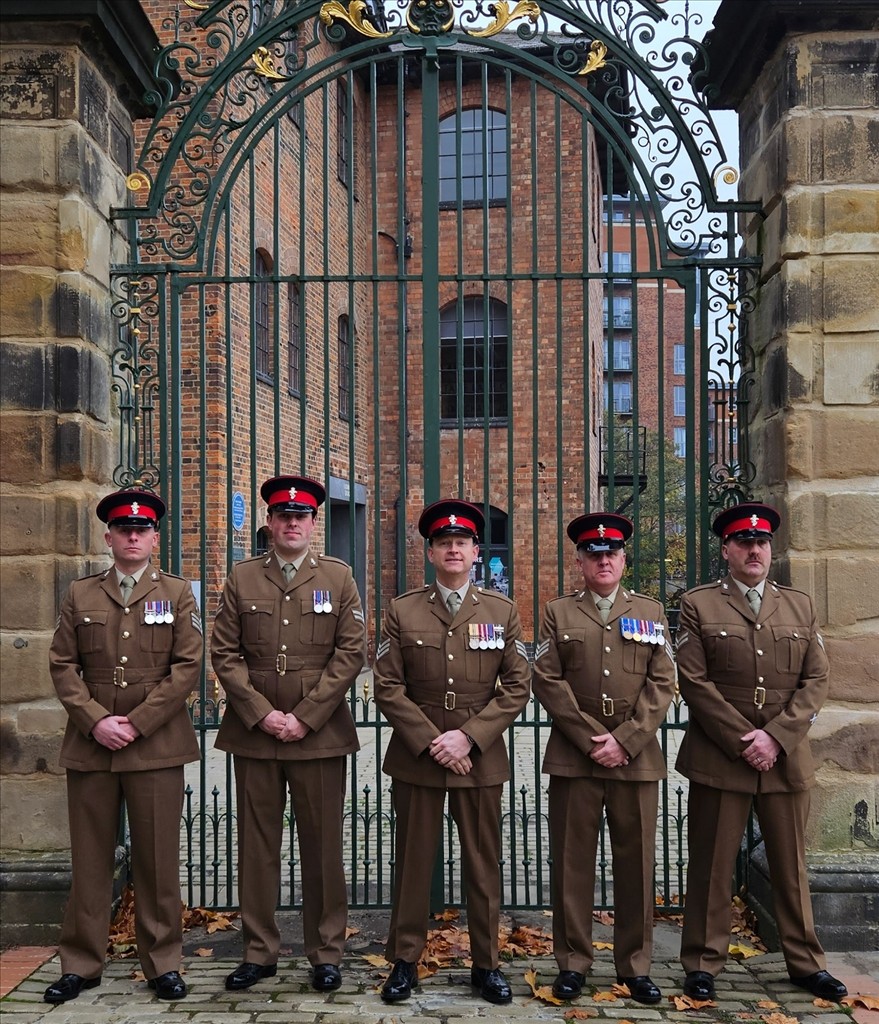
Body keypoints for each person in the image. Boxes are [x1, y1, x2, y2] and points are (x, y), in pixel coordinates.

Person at [676, 502, 847, 1002]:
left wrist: (776, 736)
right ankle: (703, 961)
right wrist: (742, 738)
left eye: (763, 542)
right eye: (744, 542)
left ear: (770, 549)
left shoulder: (799, 605)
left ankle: (805, 961)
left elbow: (816, 678)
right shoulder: (698, 604)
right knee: (710, 863)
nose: (755, 550)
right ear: (726, 549)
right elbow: (694, 680)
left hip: (785, 755)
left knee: (791, 864)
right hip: (720, 754)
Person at [46, 489, 202, 1004]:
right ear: (109, 536)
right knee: (89, 859)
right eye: (123, 529)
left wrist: (135, 722)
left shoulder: (177, 593)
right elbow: (63, 666)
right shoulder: (81, 594)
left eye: (142, 530)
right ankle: (81, 963)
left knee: (158, 859)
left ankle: (163, 963)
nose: (132, 536)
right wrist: (96, 721)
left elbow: (186, 668)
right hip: (93, 745)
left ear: (155, 538)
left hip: (155, 745)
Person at [373, 499, 531, 1005]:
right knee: (413, 862)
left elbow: (516, 686)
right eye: (445, 543)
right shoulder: (403, 610)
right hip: (419, 755)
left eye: (462, 542)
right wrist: (432, 741)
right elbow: (387, 686)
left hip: (478, 755)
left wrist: (468, 737)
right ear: (432, 552)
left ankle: (486, 964)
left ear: (476, 551)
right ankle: (404, 962)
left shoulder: (502, 611)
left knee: (483, 864)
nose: (454, 549)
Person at [211, 475, 365, 993]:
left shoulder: (339, 579)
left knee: (322, 847)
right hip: (256, 733)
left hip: (318, 735)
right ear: (270, 523)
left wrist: (306, 714)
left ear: (314, 524)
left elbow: (350, 655)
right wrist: (261, 713)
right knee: (257, 846)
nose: (292, 523)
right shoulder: (242, 578)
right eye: (283, 516)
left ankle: (326, 952)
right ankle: (260, 950)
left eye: (301, 517)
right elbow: (225, 654)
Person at [532, 512, 676, 1004]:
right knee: (572, 864)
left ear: (624, 559)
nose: (604, 560)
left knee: (636, 864)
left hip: (635, 758)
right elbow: (547, 679)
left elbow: (663, 682)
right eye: (594, 554)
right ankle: (572, 963)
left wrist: (628, 738)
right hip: (577, 757)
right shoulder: (558, 613)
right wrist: (594, 737)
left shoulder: (651, 612)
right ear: (580, 562)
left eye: (612, 553)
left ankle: (635, 965)